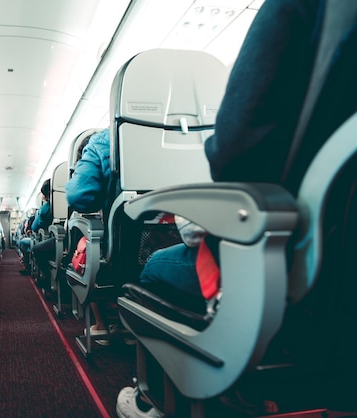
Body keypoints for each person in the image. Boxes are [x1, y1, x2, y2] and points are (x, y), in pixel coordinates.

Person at [116, 0, 322, 416]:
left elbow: (236, 155)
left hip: (282, 266)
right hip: (339, 273)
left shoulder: (302, 10)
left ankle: (162, 395)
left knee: (154, 265)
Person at [65, 128, 118, 341]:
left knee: (89, 253)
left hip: (124, 250)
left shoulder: (100, 144)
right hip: (168, 239)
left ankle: (102, 324)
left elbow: (80, 197)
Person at [26, 179, 54, 278]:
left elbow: (34, 227)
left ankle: (47, 277)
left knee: (36, 248)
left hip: (51, 239)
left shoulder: (45, 208)